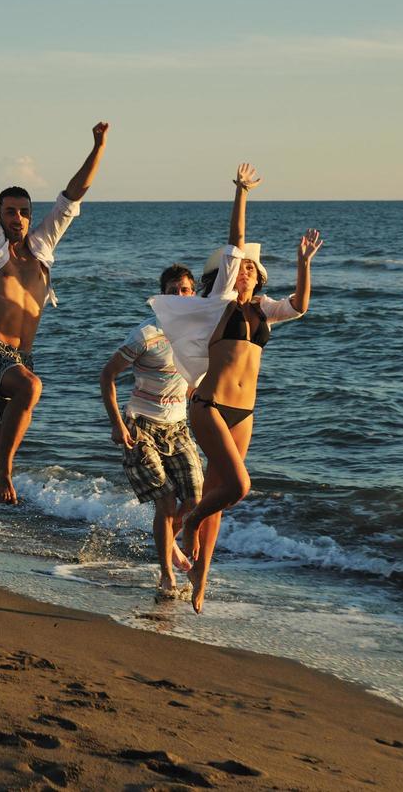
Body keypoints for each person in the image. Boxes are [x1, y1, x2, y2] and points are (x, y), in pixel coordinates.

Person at [151, 163, 321, 612]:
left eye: (251, 268)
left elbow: (301, 306)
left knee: (220, 498)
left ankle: (202, 577)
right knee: (238, 487)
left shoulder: (266, 309)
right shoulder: (219, 303)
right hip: (210, 405)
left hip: (245, 412)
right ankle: (185, 526)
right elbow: (235, 239)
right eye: (240, 265)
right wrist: (242, 191)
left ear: (259, 275)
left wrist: (303, 265)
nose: (245, 269)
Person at [0, 115, 108, 580]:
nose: (14, 217)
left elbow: (72, 196)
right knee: (31, 388)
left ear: (30, 218)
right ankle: (7, 473)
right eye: (8, 211)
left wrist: (97, 146)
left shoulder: (42, 250)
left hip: (18, 361)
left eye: (21, 212)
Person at [100, 264, 203, 598]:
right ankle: (165, 575)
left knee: (196, 497)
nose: (180, 295)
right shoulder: (146, 334)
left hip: (178, 427)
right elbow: (107, 375)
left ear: (194, 294)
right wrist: (117, 422)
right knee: (167, 503)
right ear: (162, 297)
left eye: (185, 290)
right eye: (172, 290)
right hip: (141, 426)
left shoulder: (199, 334)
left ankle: (169, 541)